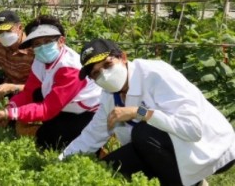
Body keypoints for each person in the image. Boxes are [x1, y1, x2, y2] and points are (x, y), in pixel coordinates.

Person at [60, 38, 235, 186]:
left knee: (142, 132)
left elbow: (193, 129)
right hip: (162, 147)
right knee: (112, 168)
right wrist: (60, 162)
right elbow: (93, 134)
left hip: (209, 148)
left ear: (123, 57)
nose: (104, 75)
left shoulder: (155, 74)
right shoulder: (109, 96)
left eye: (107, 64)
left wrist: (139, 112)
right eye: (96, 74)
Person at [0, 15, 102, 150]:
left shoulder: (70, 68)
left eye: (47, 41)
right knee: (33, 100)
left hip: (87, 111)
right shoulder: (40, 59)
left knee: (48, 141)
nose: (42, 47)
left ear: (61, 41)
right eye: (36, 44)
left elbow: (47, 109)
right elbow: (29, 92)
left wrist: (9, 114)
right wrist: (10, 108)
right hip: (63, 104)